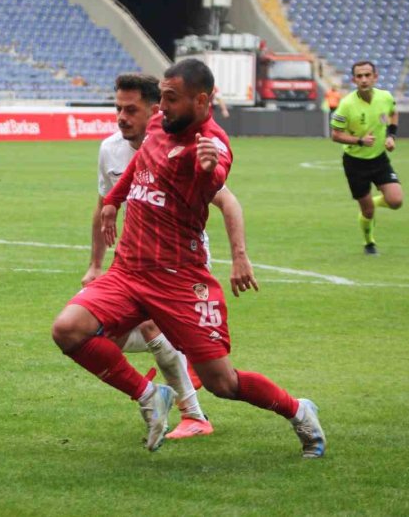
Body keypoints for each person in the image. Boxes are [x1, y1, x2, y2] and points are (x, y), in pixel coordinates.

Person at [52, 58, 325, 457]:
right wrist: (112, 202)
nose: (161, 108)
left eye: (170, 99)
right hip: (128, 270)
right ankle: (150, 396)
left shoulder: (211, 144)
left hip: (178, 280)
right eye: (160, 98)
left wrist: (210, 172)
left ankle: (298, 410)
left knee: (223, 383)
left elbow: (213, 185)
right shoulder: (160, 127)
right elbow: (140, 165)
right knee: (68, 329)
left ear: (201, 100)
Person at [83, 73, 259, 440]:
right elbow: (104, 205)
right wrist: (95, 265)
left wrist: (240, 256)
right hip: (135, 261)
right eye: (117, 108)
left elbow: (227, 200)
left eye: (131, 110)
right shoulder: (110, 149)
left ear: (156, 110)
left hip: (182, 261)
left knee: (153, 329)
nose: (121, 117)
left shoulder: (182, 144)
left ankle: (191, 412)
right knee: (103, 337)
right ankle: (179, 399)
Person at [330, 61, 402, 255]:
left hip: (379, 159)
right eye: (359, 76)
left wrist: (390, 136)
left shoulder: (385, 97)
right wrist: (359, 141)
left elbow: (394, 113)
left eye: (367, 75)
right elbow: (335, 135)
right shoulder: (346, 104)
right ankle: (369, 242)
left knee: (396, 201)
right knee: (368, 212)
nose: (363, 79)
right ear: (354, 80)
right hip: (355, 163)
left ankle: (375, 201)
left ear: (375, 77)